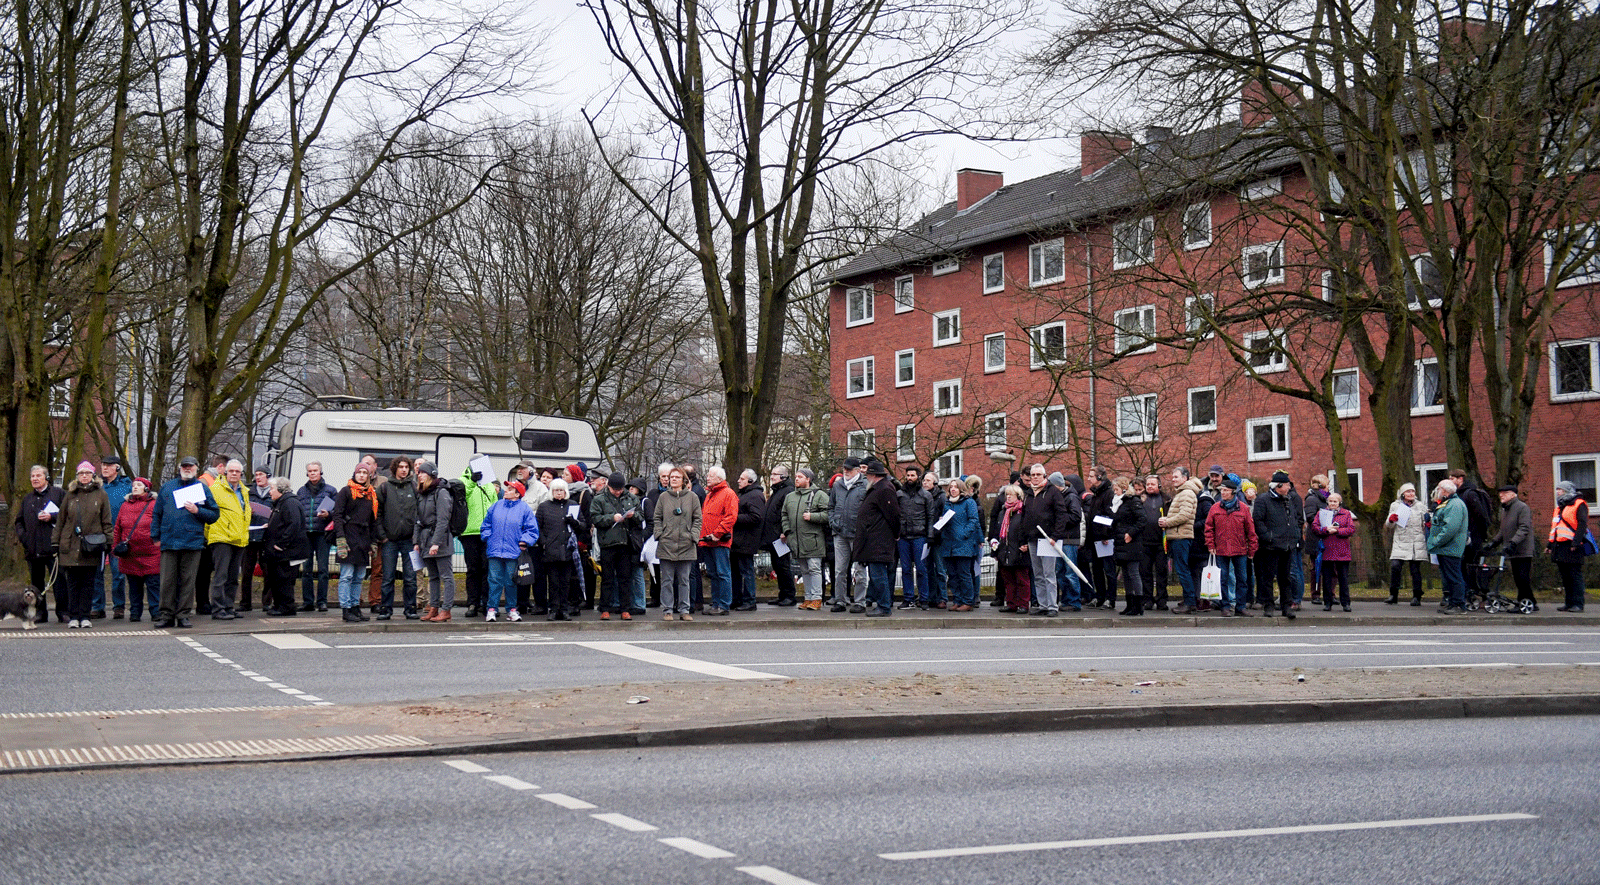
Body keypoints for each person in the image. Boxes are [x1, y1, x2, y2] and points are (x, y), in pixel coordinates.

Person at [150, 456, 220, 628]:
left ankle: (183, 615)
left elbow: (214, 515)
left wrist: (198, 511)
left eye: (190, 466)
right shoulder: (167, 487)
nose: (187, 469)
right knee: (167, 581)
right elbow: (156, 514)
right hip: (169, 541)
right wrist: (155, 536)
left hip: (192, 542)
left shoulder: (202, 488)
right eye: (184, 466)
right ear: (179, 468)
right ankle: (166, 615)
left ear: (197, 468)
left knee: (188, 580)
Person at [52, 461, 114, 628]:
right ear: (77, 476)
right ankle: (73, 616)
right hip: (70, 545)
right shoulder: (70, 495)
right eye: (81, 473)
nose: (84, 476)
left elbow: (106, 521)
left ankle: (85, 615)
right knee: (72, 584)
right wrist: (55, 542)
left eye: (87, 473)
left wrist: (109, 541)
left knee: (88, 584)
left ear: (93, 475)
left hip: (91, 546)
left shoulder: (101, 495)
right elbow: (61, 521)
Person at [481, 479, 538, 622]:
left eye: (510, 489)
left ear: (518, 494)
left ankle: (512, 609)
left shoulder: (524, 509)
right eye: (507, 488)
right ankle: (492, 609)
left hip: (513, 552)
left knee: (511, 581)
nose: (506, 490)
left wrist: (525, 541)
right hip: (495, 551)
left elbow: (532, 529)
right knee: (494, 581)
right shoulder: (496, 506)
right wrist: (488, 537)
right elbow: (486, 524)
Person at [14, 464, 64, 624]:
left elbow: (68, 515)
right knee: (36, 584)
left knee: (59, 581)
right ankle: (40, 614)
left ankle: (63, 612)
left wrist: (52, 517)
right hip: (33, 548)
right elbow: (19, 521)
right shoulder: (27, 499)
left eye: (38, 476)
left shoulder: (58, 494)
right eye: (32, 476)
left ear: (46, 478)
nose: (35, 479)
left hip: (54, 547)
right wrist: (24, 538)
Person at [332, 463, 379, 622]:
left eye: (365, 473)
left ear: (369, 476)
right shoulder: (346, 492)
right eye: (359, 472)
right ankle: (346, 609)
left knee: (359, 576)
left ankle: (355, 607)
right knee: (346, 576)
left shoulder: (371, 494)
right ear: (355, 474)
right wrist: (340, 538)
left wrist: (373, 542)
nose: (361, 475)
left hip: (363, 538)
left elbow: (373, 520)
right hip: (348, 536)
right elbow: (337, 515)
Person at [1020, 463, 1070, 616]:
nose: (1035, 477)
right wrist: (1024, 538)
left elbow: (1062, 515)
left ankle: (1052, 606)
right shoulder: (1028, 494)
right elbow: (1024, 517)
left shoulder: (1053, 492)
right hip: (1032, 539)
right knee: (1038, 574)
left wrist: (1055, 536)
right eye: (1033, 475)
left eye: (1038, 475)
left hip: (1048, 539)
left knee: (1049, 574)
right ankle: (1042, 605)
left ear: (1044, 476)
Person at [852, 460, 900, 617]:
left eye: (867, 475)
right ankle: (882, 604)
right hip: (874, 539)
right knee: (876, 575)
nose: (866, 477)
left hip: (879, 540)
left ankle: (884, 606)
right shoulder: (878, 489)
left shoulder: (884, 489)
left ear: (873, 475)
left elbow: (894, 515)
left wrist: (896, 533)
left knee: (879, 575)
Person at [590, 472, 641, 620]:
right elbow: (595, 518)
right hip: (607, 543)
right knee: (607, 578)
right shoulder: (599, 499)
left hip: (625, 543)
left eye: (620, 489)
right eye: (614, 489)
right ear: (608, 486)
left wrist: (633, 516)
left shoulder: (631, 498)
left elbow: (641, 516)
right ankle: (605, 608)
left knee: (625, 578)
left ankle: (625, 609)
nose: (618, 492)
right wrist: (611, 518)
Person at [204, 460, 251, 620]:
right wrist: (210, 535)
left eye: (237, 471)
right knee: (220, 575)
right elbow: (207, 513)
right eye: (231, 471)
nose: (234, 474)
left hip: (239, 538)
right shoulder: (215, 489)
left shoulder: (244, 491)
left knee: (233, 577)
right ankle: (217, 609)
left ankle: (228, 606)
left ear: (241, 474)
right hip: (221, 537)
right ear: (225, 472)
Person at [654, 467, 702, 620]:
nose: (673, 479)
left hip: (686, 544)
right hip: (667, 544)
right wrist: (660, 535)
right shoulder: (663, 497)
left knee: (684, 580)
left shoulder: (692, 497)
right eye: (671, 477)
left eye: (676, 477)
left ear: (683, 480)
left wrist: (693, 536)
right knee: (667, 580)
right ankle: (667, 610)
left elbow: (697, 519)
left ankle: (684, 610)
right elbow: (657, 518)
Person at [374, 455, 419, 620]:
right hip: (389, 541)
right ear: (395, 468)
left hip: (409, 541)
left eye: (406, 467)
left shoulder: (414, 487)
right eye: (401, 467)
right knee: (387, 577)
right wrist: (382, 536)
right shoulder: (385, 488)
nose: (404, 470)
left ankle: (411, 608)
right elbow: (377, 514)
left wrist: (416, 537)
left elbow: (420, 514)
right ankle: (385, 609)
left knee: (410, 578)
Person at [1204, 477, 1257, 617]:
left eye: (1226, 490)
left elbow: (1251, 531)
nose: (1223, 493)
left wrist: (1252, 549)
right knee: (1223, 579)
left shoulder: (1244, 509)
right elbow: (1208, 528)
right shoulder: (1215, 508)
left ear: (1233, 492)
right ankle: (1225, 606)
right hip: (1221, 549)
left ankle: (1240, 606)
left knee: (1242, 580)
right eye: (1222, 490)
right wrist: (1210, 545)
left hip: (1240, 549)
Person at [1251, 471, 1299, 619]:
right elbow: (1257, 521)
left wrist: (1295, 535)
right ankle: (1269, 605)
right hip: (1270, 546)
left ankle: (1286, 606)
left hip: (1287, 544)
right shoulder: (1263, 500)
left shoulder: (1288, 500)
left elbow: (1294, 518)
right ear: (1278, 485)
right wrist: (1268, 537)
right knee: (1267, 577)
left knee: (1285, 578)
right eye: (1286, 485)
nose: (1289, 488)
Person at [412, 460, 456, 622]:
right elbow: (417, 519)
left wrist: (436, 542)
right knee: (433, 577)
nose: (420, 475)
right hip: (425, 540)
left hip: (440, 540)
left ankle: (446, 610)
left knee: (446, 576)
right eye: (419, 472)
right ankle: (434, 608)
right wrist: (416, 541)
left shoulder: (441, 492)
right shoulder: (422, 493)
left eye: (423, 472)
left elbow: (443, 520)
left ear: (431, 475)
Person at [112, 477, 161, 622]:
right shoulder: (125, 505)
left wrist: (159, 542)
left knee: (153, 585)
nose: (135, 487)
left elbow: (160, 524)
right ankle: (135, 612)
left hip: (151, 553)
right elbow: (117, 528)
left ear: (146, 488)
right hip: (130, 554)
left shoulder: (154, 504)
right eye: (134, 485)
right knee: (134, 587)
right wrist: (115, 546)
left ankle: (156, 611)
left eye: (139, 485)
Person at [780, 468, 829, 611]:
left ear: (808, 479)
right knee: (804, 570)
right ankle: (808, 598)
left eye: (800, 477)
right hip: (796, 540)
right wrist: (787, 531)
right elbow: (784, 515)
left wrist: (813, 517)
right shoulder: (790, 497)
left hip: (813, 540)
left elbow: (829, 514)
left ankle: (816, 598)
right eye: (796, 477)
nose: (796, 479)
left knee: (814, 569)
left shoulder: (820, 495)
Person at [827, 457, 870, 613]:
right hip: (840, 533)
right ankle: (840, 600)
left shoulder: (865, 485)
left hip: (858, 534)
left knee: (859, 570)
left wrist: (864, 527)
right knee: (839, 570)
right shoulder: (838, 485)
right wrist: (833, 522)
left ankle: (860, 601)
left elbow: (870, 509)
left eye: (849, 469)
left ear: (858, 471)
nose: (846, 471)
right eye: (845, 468)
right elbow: (830, 506)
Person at [261, 476, 309, 616]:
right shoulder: (282, 503)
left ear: (280, 489)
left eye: (272, 488)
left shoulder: (290, 503)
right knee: (277, 578)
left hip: (286, 551)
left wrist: (281, 544)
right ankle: (279, 605)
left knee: (284, 579)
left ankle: (286, 607)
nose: (269, 492)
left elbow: (294, 524)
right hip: (280, 551)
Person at [535, 479, 581, 621]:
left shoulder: (572, 505)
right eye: (556, 490)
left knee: (566, 582)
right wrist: (544, 542)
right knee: (553, 582)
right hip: (550, 551)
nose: (559, 493)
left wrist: (573, 521)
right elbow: (537, 527)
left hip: (567, 550)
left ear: (565, 491)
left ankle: (564, 609)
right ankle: (554, 609)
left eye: (561, 490)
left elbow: (583, 526)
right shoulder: (544, 507)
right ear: (551, 492)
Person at [459, 459, 499, 618]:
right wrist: (472, 481)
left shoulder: (489, 484)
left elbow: (494, 505)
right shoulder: (464, 481)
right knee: (473, 569)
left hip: (488, 533)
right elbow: (462, 496)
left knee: (487, 569)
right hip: (469, 532)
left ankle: (486, 602)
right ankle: (472, 603)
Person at [296, 461, 336, 612]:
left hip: (322, 533)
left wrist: (329, 514)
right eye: (310, 471)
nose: (312, 473)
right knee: (306, 569)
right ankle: (307, 602)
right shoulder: (301, 491)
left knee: (323, 569)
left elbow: (337, 511)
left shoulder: (330, 490)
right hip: (306, 534)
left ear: (321, 472)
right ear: (307, 473)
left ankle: (322, 601)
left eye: (315, 470)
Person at [895, 464, 937, 610]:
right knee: (906, 569)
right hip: (903, 537)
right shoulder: (899, 495)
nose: (909, 478)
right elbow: (895, 516)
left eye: (912, 475)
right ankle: (908, 598)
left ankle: (924, 599)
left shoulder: (926, 495)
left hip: (920, 536)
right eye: (908, 475)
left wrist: (930, 535)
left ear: (918, 477)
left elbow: (931, 516)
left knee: (921, 569)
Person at [1162, 467, 1203, 613]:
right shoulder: (1183, 492)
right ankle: (1189, 601)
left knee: (1182, 570)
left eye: (1176, 476)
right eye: (1172, 476)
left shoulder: (1186, 493)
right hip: (1179, 536)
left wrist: (1167, 522)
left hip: (1181, 537)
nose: (1173, 479)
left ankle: (1190, 602)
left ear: (1185, 478)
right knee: (1183, 569)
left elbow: (1184, 516)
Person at [95, 455, 131, 619]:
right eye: (103, 465)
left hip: (118, 536)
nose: (105, 468)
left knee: (118, 573)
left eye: (109, 465)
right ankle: (97, 606)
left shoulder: (126, 486)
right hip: (98, 535)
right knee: (97, 573)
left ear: (117, 467)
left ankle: (118, 606)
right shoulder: (96, 487)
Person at [1488, 485, 1535, 611]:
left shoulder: (1522, 508)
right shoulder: (1505, 510)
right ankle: (1530, 602)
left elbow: (1524, 528)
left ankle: (1524, 603)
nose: (1501, 495)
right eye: (1500, 493)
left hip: (1522, 549)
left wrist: (1513, 542)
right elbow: (1503, 530)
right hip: (1512, 549)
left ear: (1514, 494)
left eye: (1505, 493)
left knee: (1522, 578)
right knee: (1518, 578)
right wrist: (1493, 543)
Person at [698, 466, 738, 615]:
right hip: (708, 541)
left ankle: (724, 605)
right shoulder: (710, 495)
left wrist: (717, 533)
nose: (708, 478)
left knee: (722, 573)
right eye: (708, 475)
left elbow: (730, 517)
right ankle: (716, 603)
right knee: (713, 574)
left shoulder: (728, 494)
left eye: (711, 476)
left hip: (719, 541)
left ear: (720, 479)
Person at [1451, 468, 1494, 601]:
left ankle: (1474, 593)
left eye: (1452, 478)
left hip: (1472, 537)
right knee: (1464, 566)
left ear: (1460, 479)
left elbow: (1480, 515)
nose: (1450, 481)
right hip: (1464, 536)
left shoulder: (1469, 494)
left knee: (1471, 565)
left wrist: (1478, 533)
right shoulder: (1459, 494)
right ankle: (1467, 592)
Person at [1107, 476, 1147, 616]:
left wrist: (1131, 533)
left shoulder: (1132, 501)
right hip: (1121, 542)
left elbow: (1142, 519)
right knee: (1126, 574)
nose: (1115, 492)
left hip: (1131, 542)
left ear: (1124, 488)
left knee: (1133, 573)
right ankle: (1130, 604)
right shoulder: (1119, 503)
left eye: (1117, 489)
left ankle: (1138, 604)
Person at [1429, 479, 1470, 614]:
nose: (1437, 491)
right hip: (1446, 547)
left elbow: (1450, 528)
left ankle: (1459, 604)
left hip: (1450, 547)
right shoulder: (1450, 503)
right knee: (1449, 576)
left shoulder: (1454, 505)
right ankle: (1453, 603)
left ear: (1445, 490)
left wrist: (1436, 541)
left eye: (1439, 488)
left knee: (1454, 576)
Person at [1549, 481, 1590, 613]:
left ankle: (1578, 603)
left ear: (1567, 491)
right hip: (1560, 545)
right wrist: (1550, 544)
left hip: (1573, 545)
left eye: (1560, 489)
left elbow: (1582, 524)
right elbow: (1555, 528)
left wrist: (1576, 542)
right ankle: (1569, 603)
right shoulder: (1560, 507)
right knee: (1566, 576)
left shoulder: (1579, 504)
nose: (1557, 492)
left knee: (1574, 576)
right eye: (1557, 489)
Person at [1385, 483, 1430, 605]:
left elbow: (1426, 521)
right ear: (1403, 493)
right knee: (1395, 566)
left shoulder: (1420, 506)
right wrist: (1391, 520)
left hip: (1416, 542)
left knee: (1415, 570)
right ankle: (1393, 594)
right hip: (1401, 540)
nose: (1411, 493)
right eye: (1408, 491)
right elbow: (1389, 525)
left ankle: (1417, 596)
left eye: (1413, 491)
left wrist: (1428, 523)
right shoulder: (1395, 505)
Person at [990, 483, 1031, 612]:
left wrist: (1027, 544)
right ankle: (1011, 603)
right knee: (1008, 579)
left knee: (1022, 579)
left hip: (1019, 550)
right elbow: (998, 530)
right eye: (1006, 495)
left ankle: (1023, 604)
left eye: (1011, 495)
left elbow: (1028, 529)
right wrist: (995, 547)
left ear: (1018, 496)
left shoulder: (1023, 512)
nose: (1008, 497)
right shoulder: (1003, 512)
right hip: (1004, 550)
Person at [1314, 492, 1357, 611]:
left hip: (1342, 550)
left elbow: (1351, 529)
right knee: (1326, 578)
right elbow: (1315, 527)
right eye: (1331, 501)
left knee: (1343, 578)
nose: (1332, 503)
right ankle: (1327, 602)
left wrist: (1337, 531)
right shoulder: (1321, 513)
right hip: (1326, 549)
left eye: (1335, 501)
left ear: (1339, 503)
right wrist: (1325, 529)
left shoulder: (1346, 513)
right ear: (1327, 502)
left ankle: (1346, 603)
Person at [761, 465, 797, 606]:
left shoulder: (787, 491)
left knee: (783, 566)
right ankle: (783, 594)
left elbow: (787, 513)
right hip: (774, 536)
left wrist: (784, 532)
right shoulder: (777, 491)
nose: (772, 477)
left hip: (781, 538)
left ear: (783, 477)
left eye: (775, 474)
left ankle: (789, 595)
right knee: (777, 565)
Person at [237, 466, 271, 613]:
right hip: (250, 536)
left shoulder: (273, 492)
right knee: (246, 572)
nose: (258, 477)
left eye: (261, 475)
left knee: (268, 572)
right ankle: (245, 603)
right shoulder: (248, 492)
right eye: (256, 475)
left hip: (266, 537)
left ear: (268, 476)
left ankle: (267, 603)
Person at [730, 469, 765, 611]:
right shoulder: (746, 494)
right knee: (736, 571)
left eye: (742, 478)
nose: (738, 481)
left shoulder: (755, 496)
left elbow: (756, 517)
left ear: (750, 481)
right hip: (739, 540)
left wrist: (734, 518)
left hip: (746, 540)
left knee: (746, 571)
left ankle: (750, 600)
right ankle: (737, 599)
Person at [1083, 466, 1116, 607]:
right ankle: (1100, 595)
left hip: (1105, 538)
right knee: (1096, 569)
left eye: (1091, 476)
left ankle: (1111, 597)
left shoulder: (1109, 494)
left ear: (1100, 477)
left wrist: (1105, 533)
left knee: (1108, 569)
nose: (1089, 479)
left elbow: (1109, 516)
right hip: (1094, 537)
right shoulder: (1096, 494)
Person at [1139, 474, 1170, 610]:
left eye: (1153, 484)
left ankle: (1162, 599)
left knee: (1162, 572)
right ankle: (1147, 599)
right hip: (1144, 542)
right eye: (1148, 484)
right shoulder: (1140, 499)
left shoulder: (1167, 499)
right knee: (1145, 572)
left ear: (1159, 485)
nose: (1150, 486)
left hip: (1161, 542)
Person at [919, 470, 947, 607]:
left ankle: (943, 598)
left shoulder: (941, 497)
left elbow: (944, 517)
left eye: (928, 480)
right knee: (927, 568)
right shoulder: (921, 496)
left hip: (938, 539)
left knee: (940, 569)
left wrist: (936, 532)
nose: (925, 483)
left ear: (935, 482)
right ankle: (931, 596)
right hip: (924, 537)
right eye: (924, 480)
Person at [1303, 475, 1330, 605]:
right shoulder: (1312, 499)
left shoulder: (1328, 498)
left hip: (1328, 536)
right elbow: (1310, 517)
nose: (1329, 486)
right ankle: (1315, 594)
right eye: (1327, 484)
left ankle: (1330, 594)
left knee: (1331, 568)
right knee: (1316, 568)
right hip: (1316, 538)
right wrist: (1324, 522)